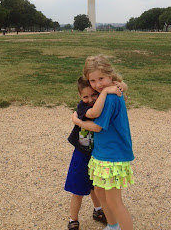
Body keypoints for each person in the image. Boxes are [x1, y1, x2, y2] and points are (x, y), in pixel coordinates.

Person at [72, 55, 134, 230]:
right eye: (93, 80)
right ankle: (112, 226)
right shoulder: (104, 94)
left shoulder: (111, 97)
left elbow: (98, 127)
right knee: (99, 192)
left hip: (113, 156)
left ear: (110, 76)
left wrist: (78, 122)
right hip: (102, 153)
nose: (98, 84)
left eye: (101, 78)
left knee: (115, 202)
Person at [65, 76, 124, 230]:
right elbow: (93, 115)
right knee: (78, 189)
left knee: (96, 187)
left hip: (97, 154)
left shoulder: (102, 104)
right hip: (81, 153)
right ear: (80, 96)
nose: (90, 99)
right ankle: (73, 219)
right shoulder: (83, 107)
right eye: (85, 96)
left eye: (93, 95)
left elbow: (122, 86)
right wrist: (105, 92)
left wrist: (120, 85)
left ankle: (98, 210)